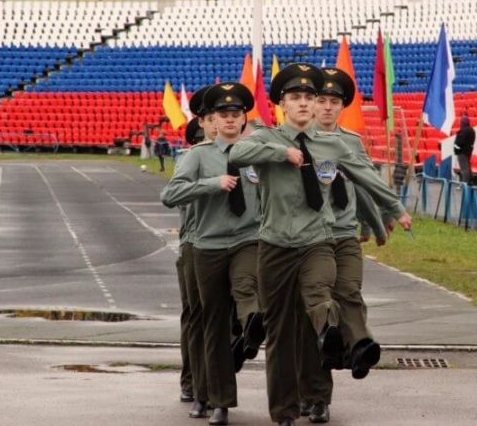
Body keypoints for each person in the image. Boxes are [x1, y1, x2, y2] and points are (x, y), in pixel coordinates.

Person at [229, 63, 412, 426]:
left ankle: (330, 333)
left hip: (318, 241)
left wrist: (396, 208)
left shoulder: (333, 145)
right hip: (274, 247)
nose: (303, 103)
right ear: (282, 104)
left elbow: (366, 177)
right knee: (280, 333)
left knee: (321, 292)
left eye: (308, 97)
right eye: (295, 97)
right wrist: (282, 154)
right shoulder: (266, 139)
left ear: (315, 105)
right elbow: (236, 155)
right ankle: (283, 412)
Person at [161, 82, 264, 426]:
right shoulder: (197, 155)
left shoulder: (256, 152)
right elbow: (171, 193)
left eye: (237, 114)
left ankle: (253, 322)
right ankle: (216, 399)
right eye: (224, 114)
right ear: (212, 121)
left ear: (244, 118)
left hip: (247, 240)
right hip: (206, 247)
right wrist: (212, 184)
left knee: (246, 285)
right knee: (213, 325)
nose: (231, 119)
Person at [297, 67, 392, 424]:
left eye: (334, 102)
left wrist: (373, 222)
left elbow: (362, 185)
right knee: (316, 319)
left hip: (343, 234)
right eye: (320, 100)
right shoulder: (296, 140)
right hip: (307, 240)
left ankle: (358, 351)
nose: (326, 107)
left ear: (341, 107)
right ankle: (315, 397)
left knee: (349, 293)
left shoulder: (351, 142)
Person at [164, 87, 217, 413]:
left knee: (217, 320)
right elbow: (175, 195)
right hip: (194, 245)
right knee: (196, 317)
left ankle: (210, 383)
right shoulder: (192, 160)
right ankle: (193, 382)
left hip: (227, 246)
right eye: (209, 123)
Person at [454, 115, 476, 184]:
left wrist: (456, 150)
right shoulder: (472, 130)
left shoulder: (463, 131)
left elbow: (458, 142)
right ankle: (470, 182)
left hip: (461, 153)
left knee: (464, 169)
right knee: (468, 168)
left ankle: (465, 184)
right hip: (468, 152)